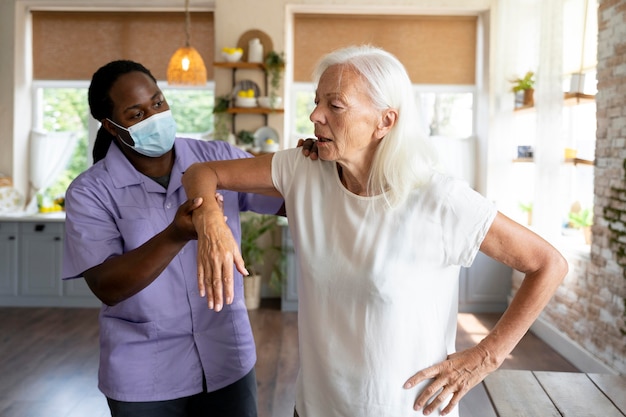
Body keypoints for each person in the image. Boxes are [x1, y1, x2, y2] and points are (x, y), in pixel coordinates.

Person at [180, 45, 568, 417]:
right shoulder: (302, 168)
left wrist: (485, 357)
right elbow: (202, 171)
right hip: (314, 408)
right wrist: (211, 221)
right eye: (317, 101)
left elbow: (548, 264)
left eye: (335, 105)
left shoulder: (438, 198)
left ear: (385, 121)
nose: (315, 115)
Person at [62, 59, 310, 417]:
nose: (154, 117)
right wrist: (176, 234)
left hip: (227, 357)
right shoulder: (90, 192)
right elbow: (107, 285)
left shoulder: (217, 158)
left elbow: (290, 202)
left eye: (158, 103)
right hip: (144, 375)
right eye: (136, 113)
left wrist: (311, 170)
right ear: (111, 127)